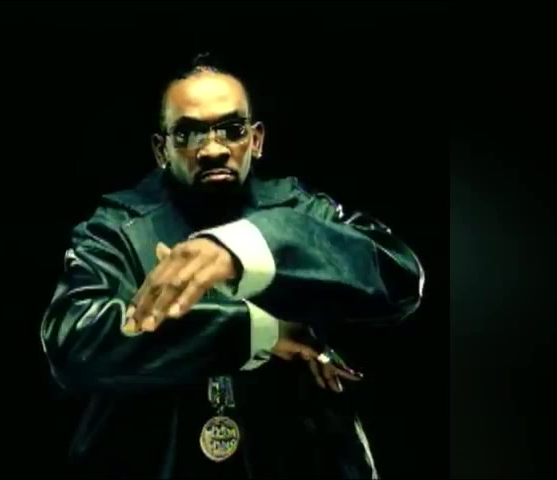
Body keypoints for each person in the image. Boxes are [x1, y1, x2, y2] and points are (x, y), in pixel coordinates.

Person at [40, 54, 425, 479]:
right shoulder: (116, 228)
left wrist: (248, 248)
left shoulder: (300, 211)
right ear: (161, 149)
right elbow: (74, 341)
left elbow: (400, 275)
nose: (213, 149)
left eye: (233, 129)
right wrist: (260, 331)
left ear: (256, 140)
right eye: (187, 133)